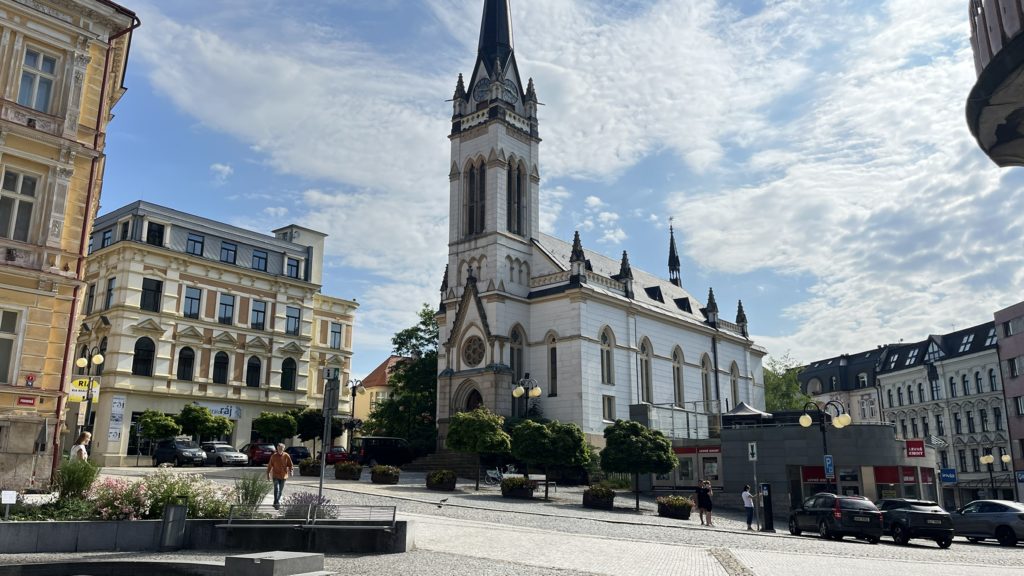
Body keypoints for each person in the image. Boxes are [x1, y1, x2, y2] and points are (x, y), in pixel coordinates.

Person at [266, 443, 293, 510]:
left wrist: (291, 471)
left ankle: (275, 502)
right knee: (276, 488)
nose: (280, 450)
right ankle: (277, 503)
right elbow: (270, 465)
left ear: (283, 449)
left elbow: (290, 464)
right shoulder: (274, 456)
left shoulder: (286, 455)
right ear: (277, 449)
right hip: (275, 475)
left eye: (281, 448)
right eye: (279, 448)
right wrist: (268, 474)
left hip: (284, 476)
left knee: (280, 490)